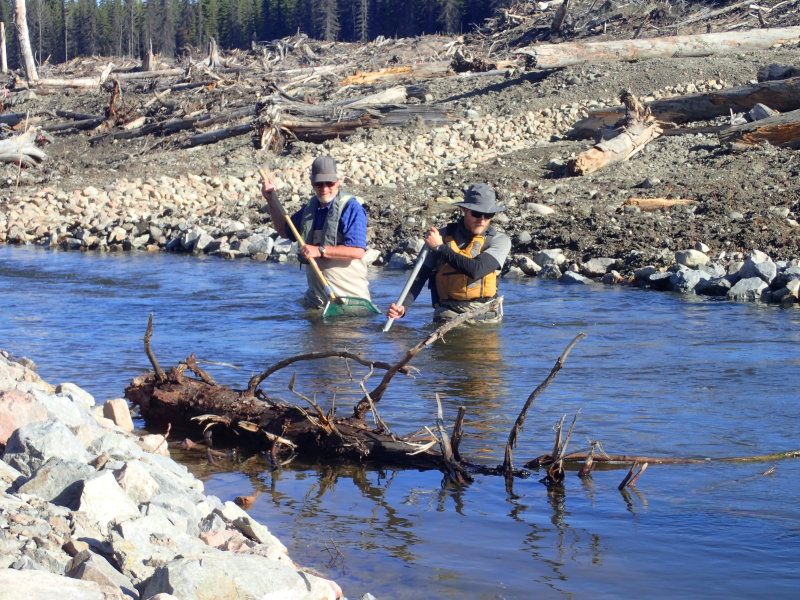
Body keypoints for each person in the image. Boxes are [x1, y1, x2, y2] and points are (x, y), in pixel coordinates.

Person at [387, 183, 511, 323]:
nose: (482, 220)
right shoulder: (440, 236)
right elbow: (419, 277)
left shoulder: (500, 240)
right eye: (476, 213)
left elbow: (477, 270)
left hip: (485, 316)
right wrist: (404, 306)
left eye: (488, 215)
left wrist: (440, 248)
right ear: (464, 209)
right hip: (448, 314)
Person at [261, 156, 371, 309]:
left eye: (329, 183)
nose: (324, 188)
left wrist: (319, 251)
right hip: (317, 302)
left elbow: (358, 251)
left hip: (349, 302)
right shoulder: (309, 209)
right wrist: (271, 199)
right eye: (319, 184)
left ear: (338, 182)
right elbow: (284, 231)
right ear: (312, 184)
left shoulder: (352, 208)